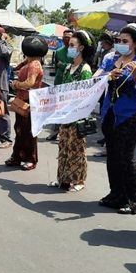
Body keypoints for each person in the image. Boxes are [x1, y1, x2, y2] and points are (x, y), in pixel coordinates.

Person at [96, 23, 136, 215]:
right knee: (112, 156)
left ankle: (134, 200)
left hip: (130, 115)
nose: (120, 44)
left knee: (126, 158)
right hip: (109, 113)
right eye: (118, 40)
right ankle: (116, 194)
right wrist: (107, 75)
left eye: (125, 41)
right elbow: (95, 79)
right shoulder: (109, 59)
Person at [52, 30, 94, 191]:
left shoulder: (85, 69)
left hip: (77, 116)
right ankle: (63, 178)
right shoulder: (69, 66)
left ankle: (78, 181)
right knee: (64, 147)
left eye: (72, 45)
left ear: (81, 48)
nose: (68, 48)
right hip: (65, 114)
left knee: (76, 149)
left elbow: (85, 95)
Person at [7, 36, 47, 170]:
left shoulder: (34, 64)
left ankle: (31, 158)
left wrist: (16, 84)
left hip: (30, 100)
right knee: (19, 130)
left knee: (29, 131)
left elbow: (30, 82)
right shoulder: (29, 61)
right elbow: (15, 68)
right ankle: (17, 156)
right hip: (22, 99)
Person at [47, 29, 74, 141]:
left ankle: (66, 133)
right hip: (59, 82)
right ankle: (55, 131)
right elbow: (56, 66)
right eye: (64, 37)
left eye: (68, 37)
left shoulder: (75, 51)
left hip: (71, 83)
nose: (66, 39)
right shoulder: (58, 51)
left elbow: (75, 66)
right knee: (56, 107)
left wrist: (63, 65)